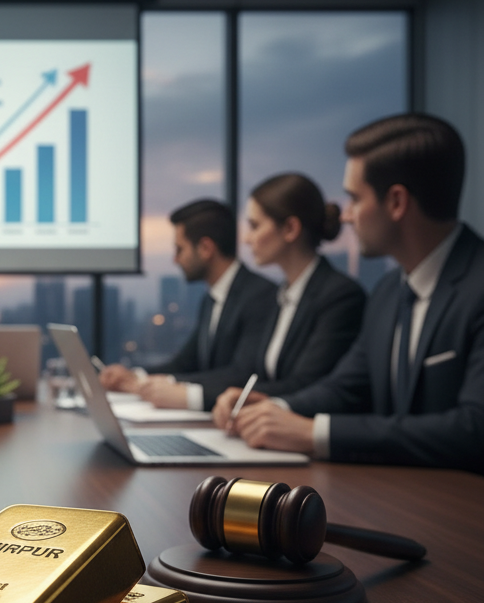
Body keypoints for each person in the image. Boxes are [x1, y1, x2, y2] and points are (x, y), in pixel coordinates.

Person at [218, 113, 483, 473]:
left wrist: (317, 434)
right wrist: (274, 408)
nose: (346, 216)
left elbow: (473, 430)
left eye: (355, 199)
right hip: (405, 497)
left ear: (396, 202)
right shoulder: (389, 292)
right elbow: (346, 388)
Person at [207, 173, 365, 415]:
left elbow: (309, 384)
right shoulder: (279, 295)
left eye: (255, 226)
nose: (248, 239)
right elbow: (249, 371)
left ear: (290, 229)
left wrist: (248, 401)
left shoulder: (340, 296)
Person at [99, 198, 277, 410]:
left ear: (205, 248)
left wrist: (172, 388)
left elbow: (243, 373)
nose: (175, 259)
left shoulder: (259, 295)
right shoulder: (212, 298)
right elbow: (185, 362)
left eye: (179, 249)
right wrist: (134, 376)